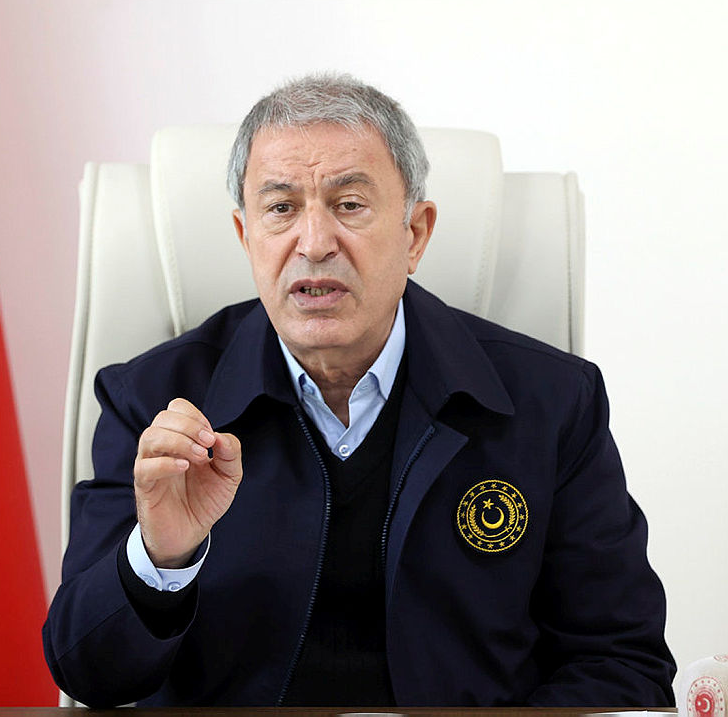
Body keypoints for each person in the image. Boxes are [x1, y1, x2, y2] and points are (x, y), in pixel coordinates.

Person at [42, 74, 676, 707]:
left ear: (415, 234)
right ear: (245, 236)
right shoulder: (152, 400)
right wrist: (160, 558)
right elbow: (86, 673)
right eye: (281, 209)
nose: (314, 244)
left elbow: (621, 660)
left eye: (348, 204)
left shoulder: (552, 401)